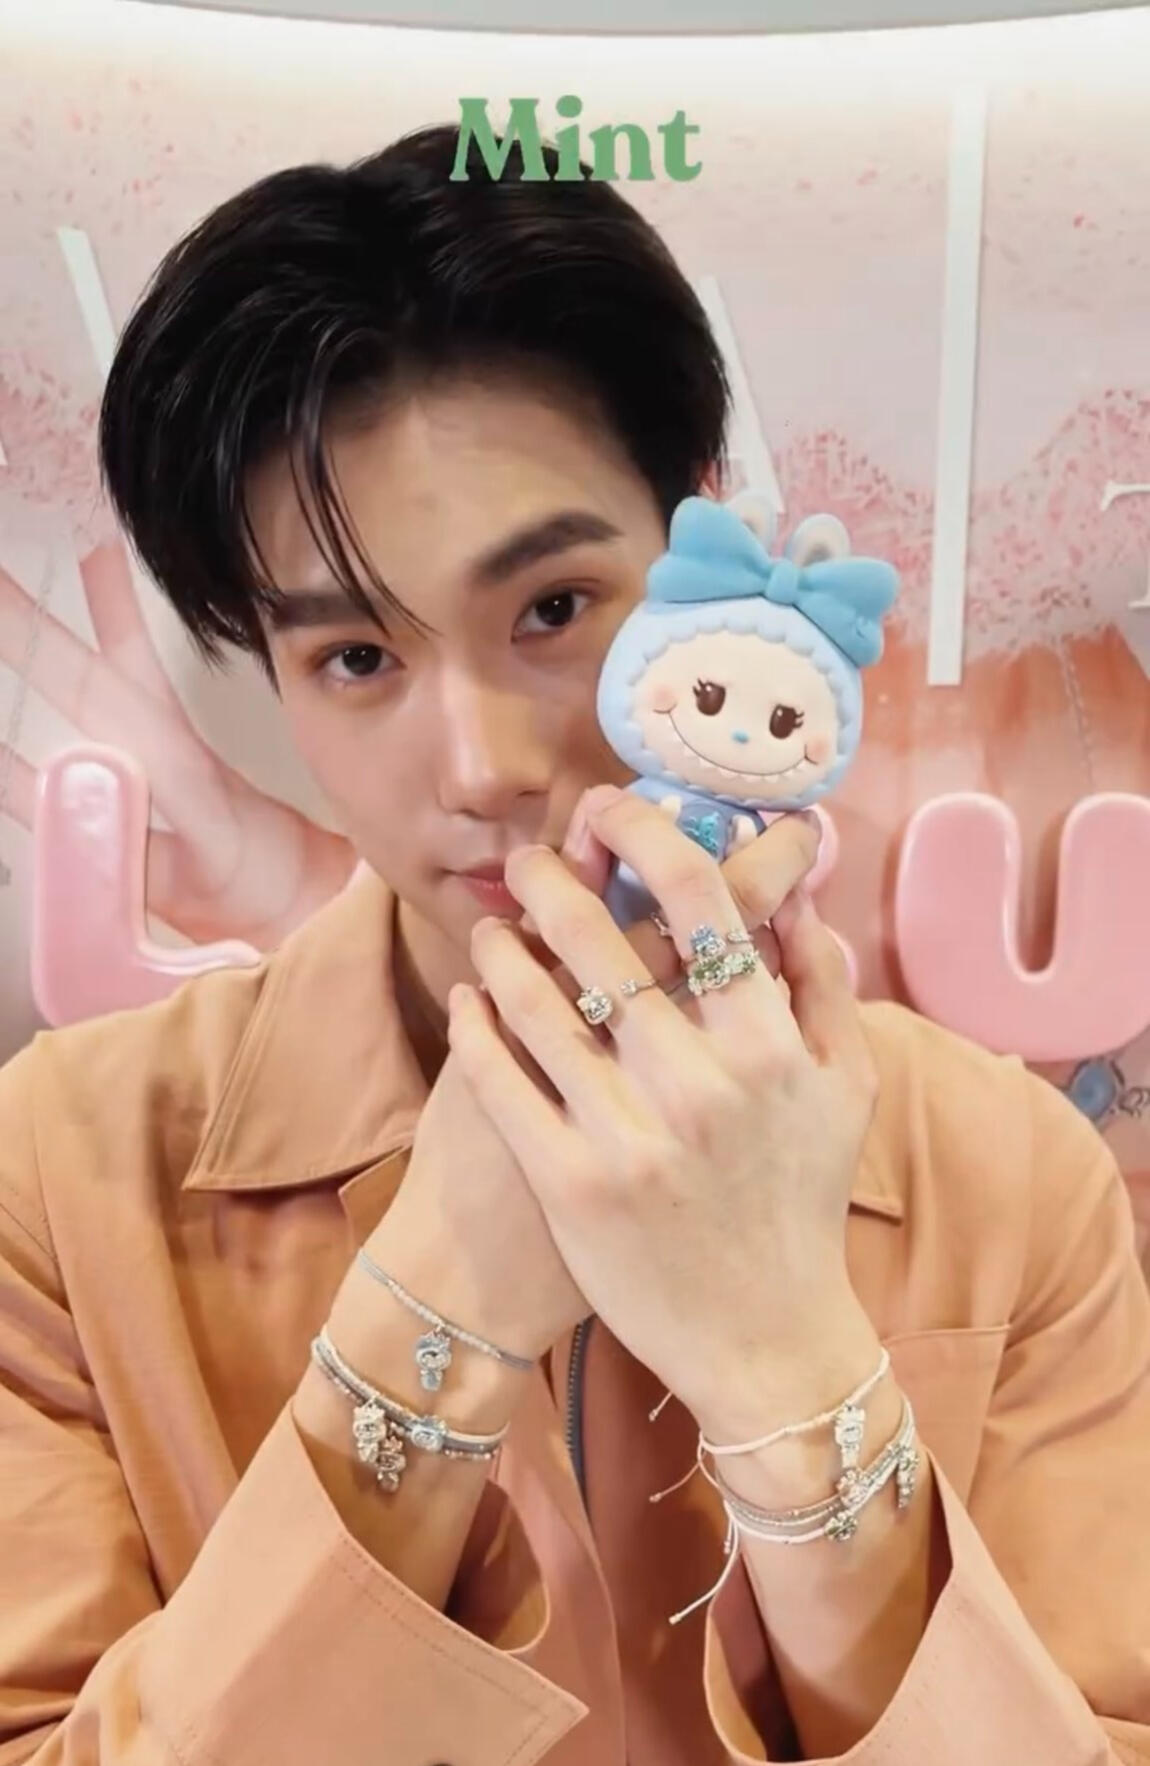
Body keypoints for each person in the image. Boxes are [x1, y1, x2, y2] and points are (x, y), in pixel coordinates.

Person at [0, 122, 1146, 1766]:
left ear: (698, 564)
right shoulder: (58, 1171)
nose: (480, 766)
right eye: (354, 658)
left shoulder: (1006, 1178)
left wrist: (784, 1354)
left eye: (550, 610)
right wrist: (438, 1302)